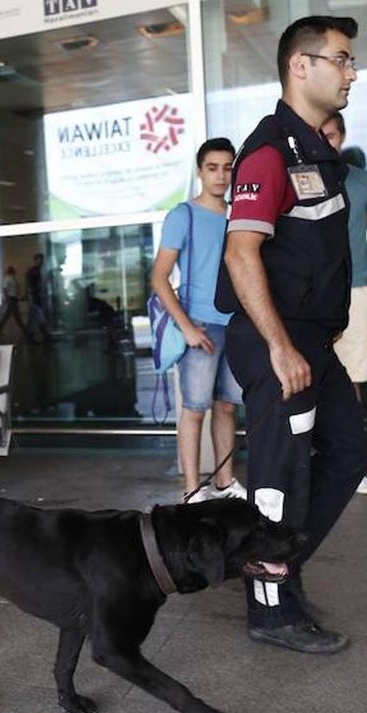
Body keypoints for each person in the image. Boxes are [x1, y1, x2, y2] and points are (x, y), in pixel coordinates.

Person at [215, 15, 367, 655]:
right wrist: (280, 346)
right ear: (300, 66)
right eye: (340, 59)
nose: (351, 73)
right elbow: (240, 254)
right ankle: (271, 608)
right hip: (275, 340)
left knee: (349, 450)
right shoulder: (270, 151)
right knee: (280, 474)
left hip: (311, 340)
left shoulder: (316, 154)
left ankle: (274, 564)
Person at [151, 138, 246, 503]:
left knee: (227, 406)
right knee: (194, 410)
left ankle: (224, 482)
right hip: (200, 327)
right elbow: (159, 276)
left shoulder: (239, 216)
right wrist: (187, 327)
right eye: (213, 167)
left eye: (228, 167)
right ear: (200, 171)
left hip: (235, 324)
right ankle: (192, 490)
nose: (221, 175)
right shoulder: (183, 215)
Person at [321, 113, 367, 495]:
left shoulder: (365, 182)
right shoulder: (300, 180)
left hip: (355, 294)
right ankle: (314, 463)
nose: (325, 141)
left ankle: (352, 467)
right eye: (319, 135)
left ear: (342, 136)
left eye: (331, 135)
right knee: (309, 381)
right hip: (312, 298)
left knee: (353, 384)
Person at [0, 265, 28, 339]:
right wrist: (7, 297)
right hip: (11, 299)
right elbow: (5, 289)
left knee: (11, 315)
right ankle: (25, 331)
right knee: (14, 316)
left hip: (13, 299)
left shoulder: (11, 279)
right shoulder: (8, 279)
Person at [25, 253, 53, 342]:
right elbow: (31, 286)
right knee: (38, 319)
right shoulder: (34, 271)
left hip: (37, 298)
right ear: (36, 260)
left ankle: (41, 337)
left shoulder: (36, 271)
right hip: (35, 298)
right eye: (39, 260)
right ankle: (44, 337)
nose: (41, 262)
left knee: (37, 319)